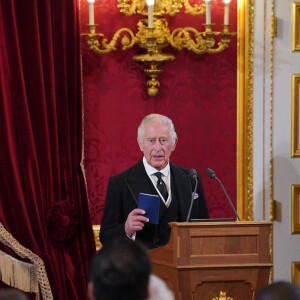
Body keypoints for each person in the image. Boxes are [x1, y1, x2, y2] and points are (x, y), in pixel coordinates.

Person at [100, 113, 209, 249]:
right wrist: (126, 229)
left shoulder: (192, 179)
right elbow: (105, 237)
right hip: (141, 267)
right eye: (151, 140)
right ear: (140, 144)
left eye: (163, 140)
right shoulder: (120, 183)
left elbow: (205, 229)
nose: (157, 148)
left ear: (174, 144)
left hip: (183, 265)